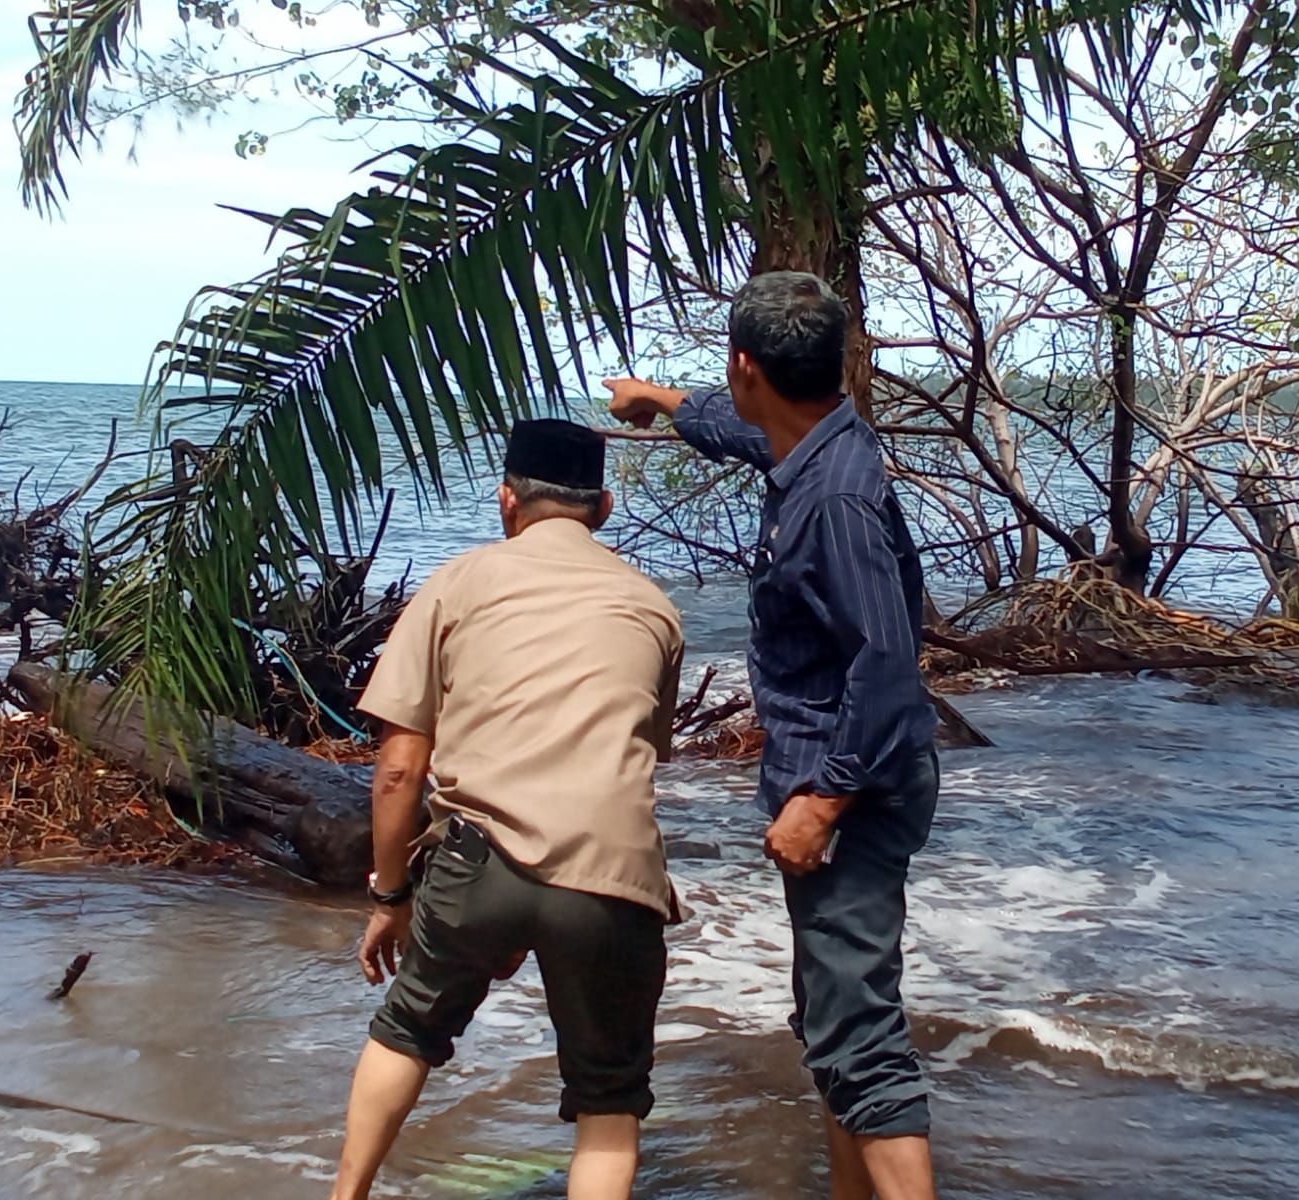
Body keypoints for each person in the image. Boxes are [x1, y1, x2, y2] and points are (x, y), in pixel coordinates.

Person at [607, 270, 941, 1200]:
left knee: (858, 1035)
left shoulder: (833, 497)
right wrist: (664, 401)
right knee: (831, 1021)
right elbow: (740, 427)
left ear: (746, 362)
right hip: (847, 776)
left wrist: (822, 801)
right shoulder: (814, 438)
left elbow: (886, 662)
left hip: (853, 788)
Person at [328, 419, 685, 1200]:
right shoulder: (653, 605)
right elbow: (639, 757)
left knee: (410, 1028)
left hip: (476, 858)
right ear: (606, 507)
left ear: (506, 501)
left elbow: (397, 771)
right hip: (613, 874)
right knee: (609, 1098)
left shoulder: (459, 581)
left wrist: (389, 895)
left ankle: (346, 1196)